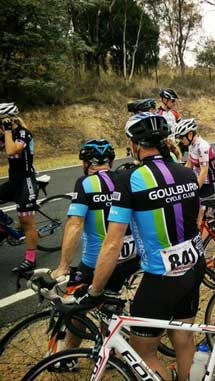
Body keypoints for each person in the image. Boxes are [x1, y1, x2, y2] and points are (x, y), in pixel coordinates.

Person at [85, 113, 206, 381]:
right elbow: (197, 217)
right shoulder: (187, 172)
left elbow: (113, 241)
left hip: (161, 277)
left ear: (136, 145)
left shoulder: (129, 179)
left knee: (143, 353)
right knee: (184, 339)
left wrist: (95, 289)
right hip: (194, 266)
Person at [40, 140, 139, 349]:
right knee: (110, 304)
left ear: (86, 164)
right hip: (130, 258)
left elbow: (75, 225)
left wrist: (63, 266)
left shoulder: (85, 183)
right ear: (111, 162)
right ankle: (109, 348)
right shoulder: (125, 179)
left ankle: (70, 356)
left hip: (97, 261)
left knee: (76, 306)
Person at [0, 103, 40, 274]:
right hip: (14, 182)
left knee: (27, 223)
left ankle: (31, 259)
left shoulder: (24, 133)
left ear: (10, 119)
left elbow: (11, 150)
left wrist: (7, 130)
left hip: (26, 182)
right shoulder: (5, 134)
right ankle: (6, 226)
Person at [174, 118, 215, 199]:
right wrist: (179, 179)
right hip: (199, 179)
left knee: (200, 211)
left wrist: (195, 189)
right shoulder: (191, 145)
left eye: (182, 138)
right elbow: (189, 164)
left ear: (190, 134)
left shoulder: (202, 147)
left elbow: (204, 172)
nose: (181, 140)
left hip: (209, 182)